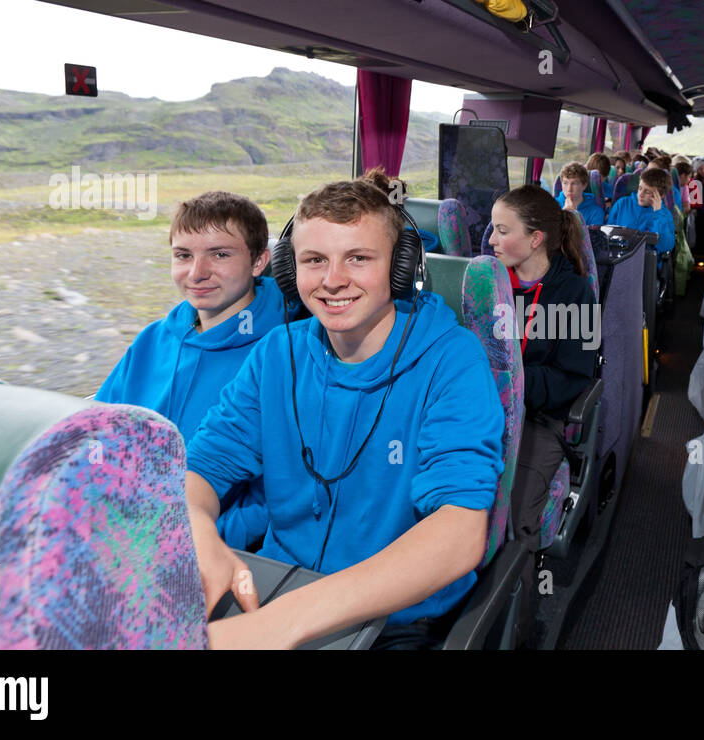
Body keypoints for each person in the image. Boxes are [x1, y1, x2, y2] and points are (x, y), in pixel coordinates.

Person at [185, 172, 505, 650]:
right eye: (315, 260)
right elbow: (204, 465)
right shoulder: (278, 354)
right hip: (278, 586)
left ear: (400, 270)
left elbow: (459, 532)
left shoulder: (451, 359)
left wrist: (284, 623)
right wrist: (199, 531)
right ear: (292, 272)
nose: (333, 281)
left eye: (358, 258)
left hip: (398, 619)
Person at [96, 190, 284, 551]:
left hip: (207, 546)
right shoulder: (154, 338)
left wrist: (198, 539)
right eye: (183, 255)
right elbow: (100, 430)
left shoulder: (281, 353)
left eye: (220, 254)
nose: (197, 273)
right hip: (121, 527)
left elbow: (274, 497)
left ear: (259, 262)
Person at [487, 188, 598, 642]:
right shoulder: (487, 286)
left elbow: (575, 377)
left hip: (538, 418)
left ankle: (518, 620)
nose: (490, 239)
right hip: (478, 413)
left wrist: (514, 385)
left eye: (501, 230)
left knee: (512, 514)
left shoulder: (574, 295)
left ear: (535, 239)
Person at [607, 167, 676, 257]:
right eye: (640, 188)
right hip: (619, 255)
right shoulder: (622, 204)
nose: (641, 194)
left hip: (647, 260)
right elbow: (608, 232)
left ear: (661, 195)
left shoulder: (664, 215)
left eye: (647, 192)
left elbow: (666, 246)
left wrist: (657, 214)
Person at [556, 162, 606, 226]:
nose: (569, 189)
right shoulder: (553, 205)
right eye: (565, 183)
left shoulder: (596, 212)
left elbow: (589, 236)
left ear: (584, 185)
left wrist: (574, 216)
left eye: (574, 183)